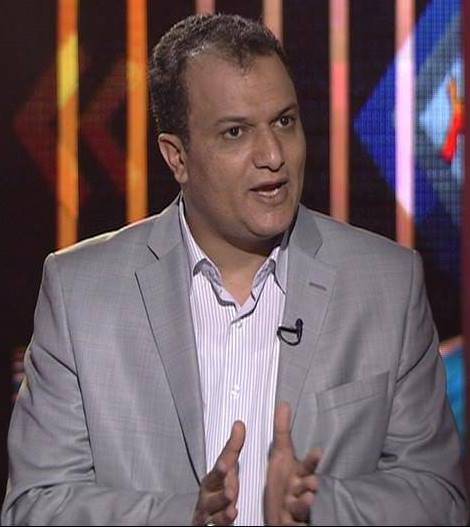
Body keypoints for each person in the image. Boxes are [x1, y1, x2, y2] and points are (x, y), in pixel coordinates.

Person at [1, 13, 467, 526]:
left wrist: (320, 504)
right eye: (235, 132)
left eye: (284, 122)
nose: (272, 156)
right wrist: (182, 516)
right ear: (176, 157)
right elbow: (35, 506)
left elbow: (441, 498)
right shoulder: (80, 293)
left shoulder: (387, 285)